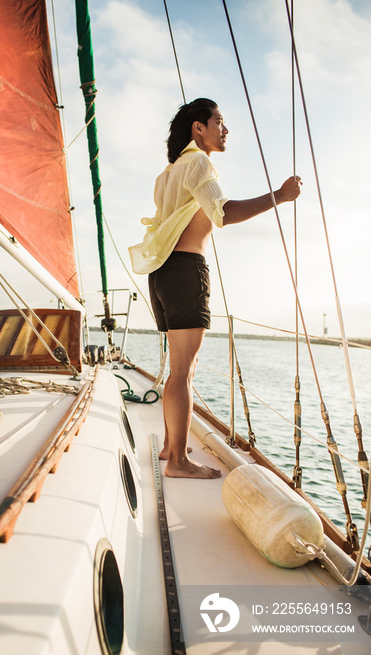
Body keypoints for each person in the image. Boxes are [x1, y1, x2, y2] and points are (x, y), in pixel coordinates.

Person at [129, 98, 302, 479]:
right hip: (186, 270)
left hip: (161, 272)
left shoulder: (169, 171)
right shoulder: (200, 163)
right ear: (198, 127)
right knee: (183, 372)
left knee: (177, 370)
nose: (225, 130)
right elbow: (223, 213)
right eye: (219, 122)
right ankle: (178, 461)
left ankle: (169, 447)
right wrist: (280, 195)